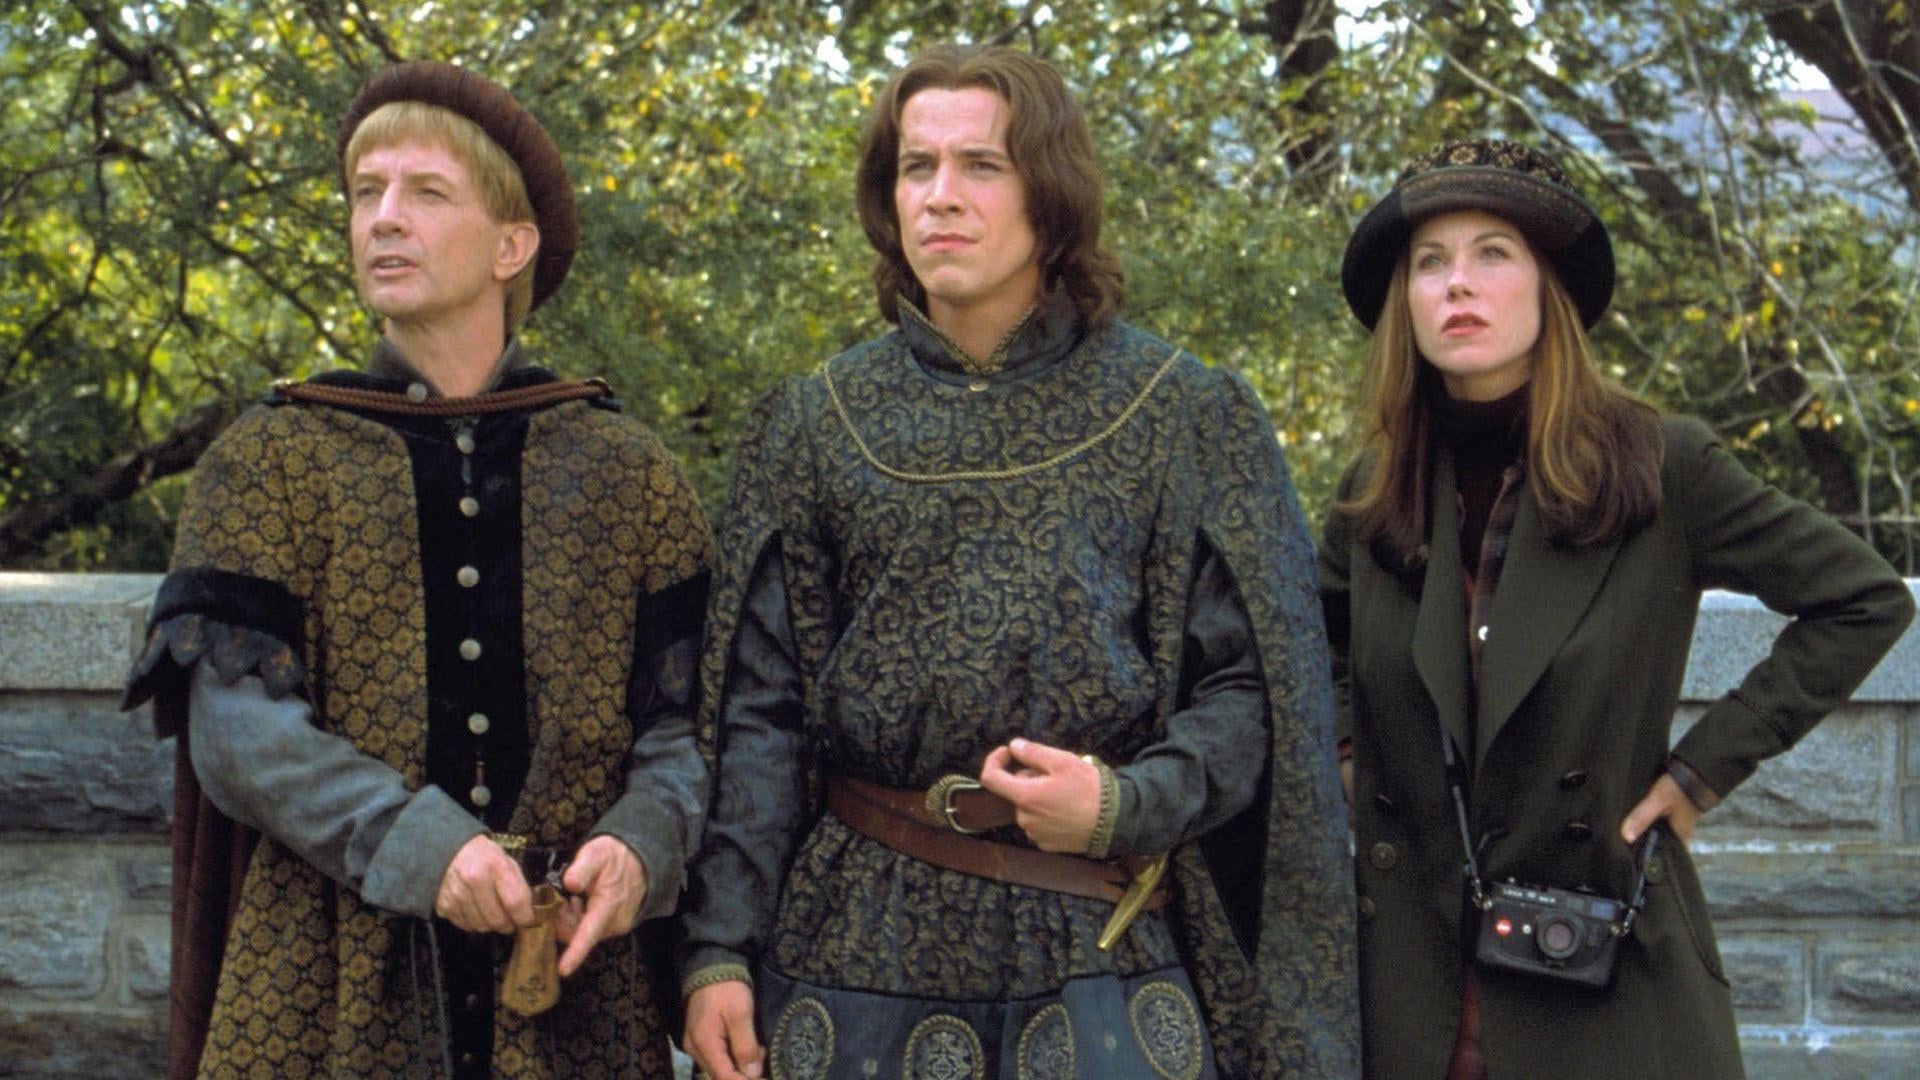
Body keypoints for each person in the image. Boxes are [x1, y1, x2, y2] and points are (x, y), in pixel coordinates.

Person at [677, 43, 1357, 1080]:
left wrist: (1128, 802)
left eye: (981, 166)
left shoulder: (1181, 412)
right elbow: (756, 716)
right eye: (917, 167)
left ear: (1050, 192)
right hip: (854, 933)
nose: (941, 196)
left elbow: (1256, 689)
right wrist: (720, 949)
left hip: (1096, 935)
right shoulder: (815, 422)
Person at [121, 61, 710, 1079]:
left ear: (511, 246)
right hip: (324, 985)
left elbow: (687, 730)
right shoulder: (271, 459)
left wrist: (643, 845)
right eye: (366, 192)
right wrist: (420, 845)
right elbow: (238, 735)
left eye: (426, 192)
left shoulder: (628, 471)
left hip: (574, 990)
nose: (383, 218)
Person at [1322, 138, 1915, 1079]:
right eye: (1429, 262)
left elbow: (1862, 599)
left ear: (1548, 288)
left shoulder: (1660, 466)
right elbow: (1313, 647)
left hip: (1605, 978)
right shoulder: (1374, 491)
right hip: (1407, 992)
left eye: (1492, 253)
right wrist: (1350, 755)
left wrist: (1702, 770)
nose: (1456, 283)